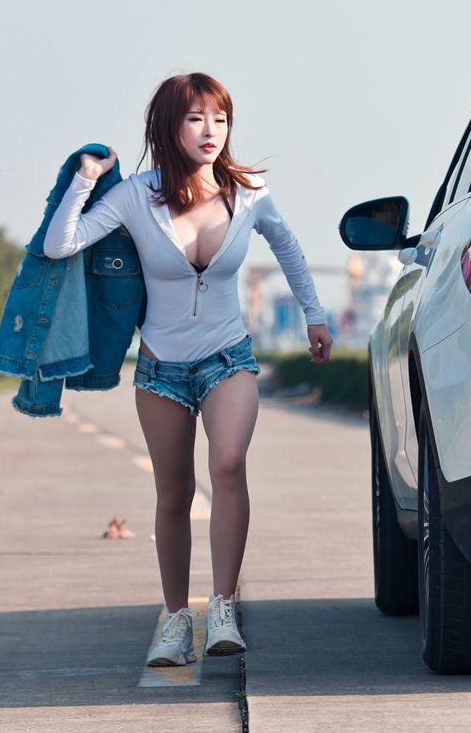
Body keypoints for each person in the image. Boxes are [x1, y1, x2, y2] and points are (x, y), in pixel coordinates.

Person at [42, 71, 332, 665]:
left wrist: (315, 315)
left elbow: (290, 249)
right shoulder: (134, 196)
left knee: (227, 464)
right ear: (169, 126)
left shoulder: (249, 194)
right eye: (197, 118)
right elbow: (58, 245)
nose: (211, 131)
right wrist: (84, 181)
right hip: (160, 370)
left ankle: (222, 606)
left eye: (220, 119)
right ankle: (176, 619)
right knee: (172, 493)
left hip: (229, 358)